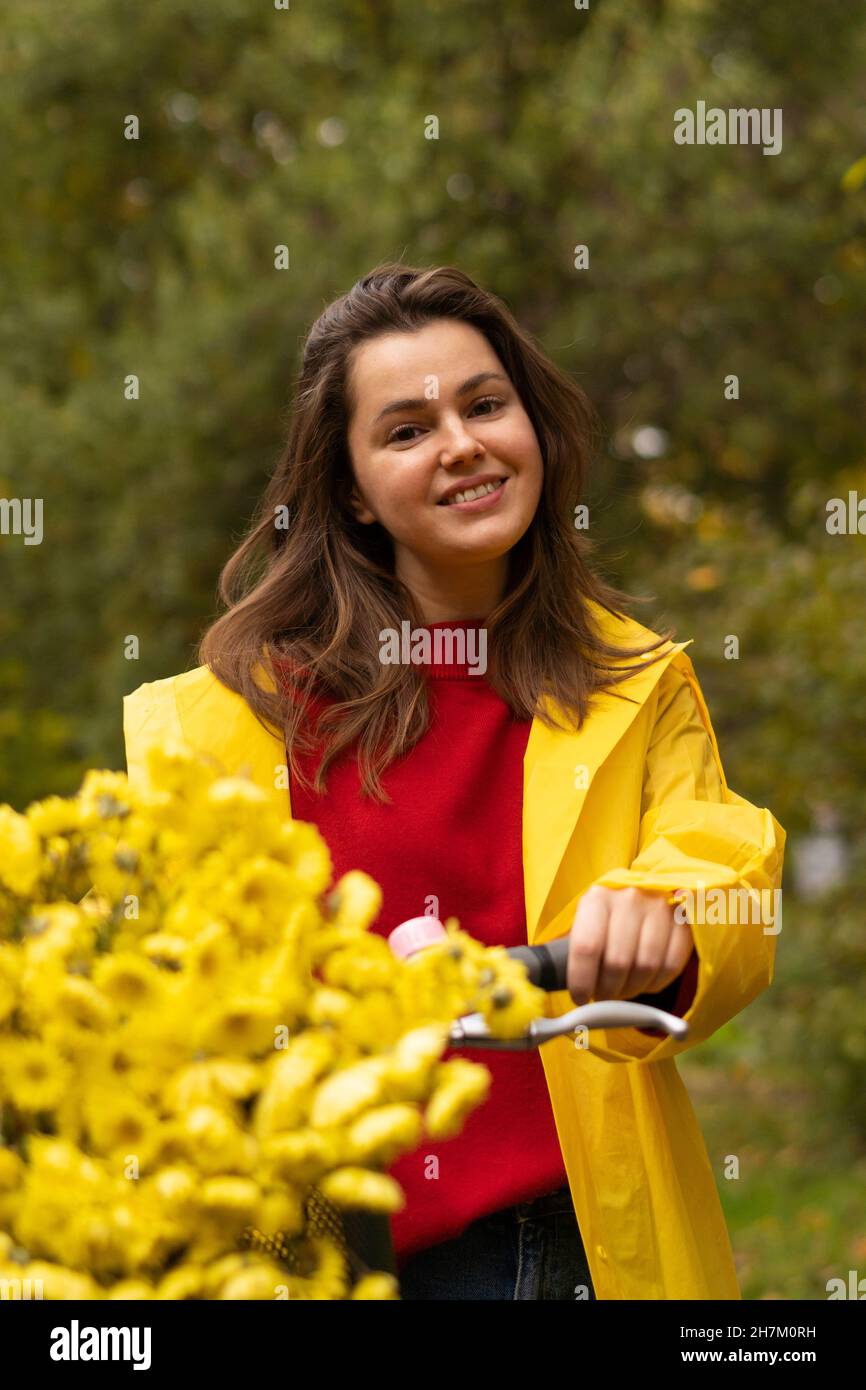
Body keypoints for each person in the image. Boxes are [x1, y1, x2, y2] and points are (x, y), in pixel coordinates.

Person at [123, 262, 786, 1300]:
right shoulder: (225, 718)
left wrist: (666, 917)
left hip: (575, 1247)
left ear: (532, 424)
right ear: (349, 487)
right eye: (404, 429)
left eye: (484, 404)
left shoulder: (634, 682)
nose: (462, 443)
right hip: (320, 1262)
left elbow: (722, 855)